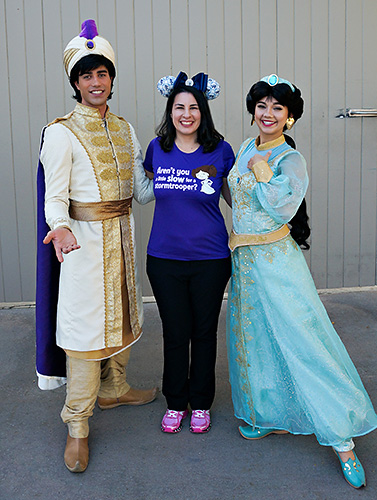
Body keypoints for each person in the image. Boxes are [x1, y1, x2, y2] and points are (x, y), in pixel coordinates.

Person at [226, 74, 377, 488]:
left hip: (276, 262)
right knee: (257, 339)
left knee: (304, 342)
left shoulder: (289, 159)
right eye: (262, 106)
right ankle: (270, 414)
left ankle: (342, 440)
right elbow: (235, 196)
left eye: (277, 108)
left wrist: (261, 171)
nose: (268, 114)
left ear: (290, 117)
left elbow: (281, 207)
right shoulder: (245, 147)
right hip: (245, 263)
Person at [36, 19, 157, 473]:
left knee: (126, 317)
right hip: (84, 249)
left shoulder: (126, 130)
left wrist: (183, 170)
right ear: (75, 83)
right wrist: (60, 228)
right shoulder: (61, 131)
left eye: (102, 73)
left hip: (123, 241)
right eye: (86, 75)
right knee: (85, 336)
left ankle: (115, 390)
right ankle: (77, 427)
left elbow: (143, 191)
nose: (95, 82)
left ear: (111, 78)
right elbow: (55, 197)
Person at [144, 72, 234, 433]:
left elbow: (235, 199)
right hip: (164, 259)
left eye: (193, 107)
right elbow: (145, 187)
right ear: (170, 110)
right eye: (179, 107)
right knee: (175, 331)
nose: (186, 114)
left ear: (203, 112)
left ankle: (201, 402)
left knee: (204, 331)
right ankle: (175, 401)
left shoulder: (221, 150)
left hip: (210, 259)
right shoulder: (157, 149)